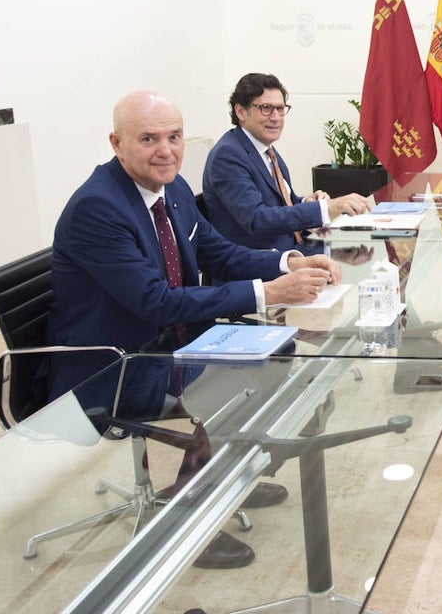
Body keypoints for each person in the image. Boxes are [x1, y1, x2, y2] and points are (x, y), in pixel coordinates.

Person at [47, 90, 341, 569]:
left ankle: (223, 474)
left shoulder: (172, 188)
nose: (166, 150)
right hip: (116, 366)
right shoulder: (97, 209)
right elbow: (156, 302)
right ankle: (189, 516)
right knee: (242, 378)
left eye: (175, 136)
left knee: (282, 356)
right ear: (117, 143)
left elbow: (217, 253)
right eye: (149, 138)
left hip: (172, 343)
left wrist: (288, 260)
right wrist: (272, 293)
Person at [202, 73, 370, 254]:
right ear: (241, 111)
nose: (276, 117)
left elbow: (284, 203)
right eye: (266, 108)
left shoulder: (265, 149)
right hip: (264, 262)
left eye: (280, 108)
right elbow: (257, 219)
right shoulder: (227, 155)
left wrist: (308, 201)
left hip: (295, 246)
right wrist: (326, 208)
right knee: (365, 259)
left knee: (368, 248)